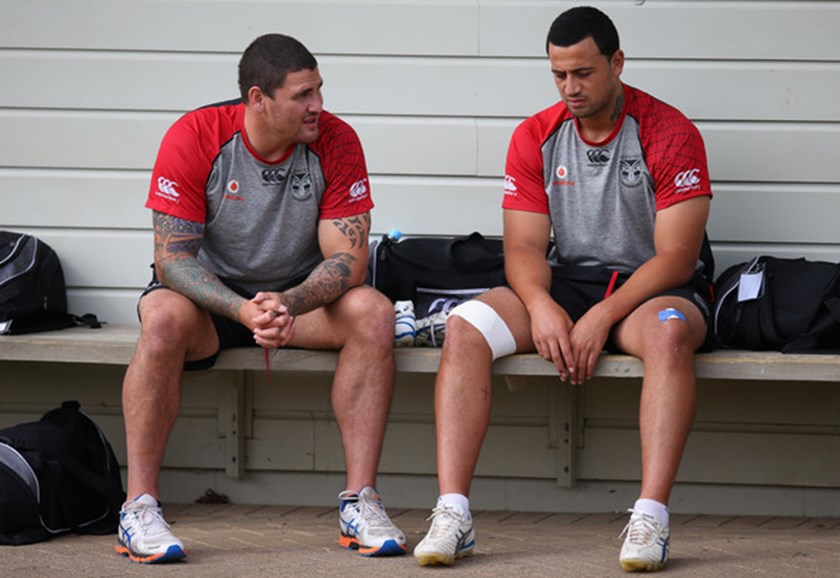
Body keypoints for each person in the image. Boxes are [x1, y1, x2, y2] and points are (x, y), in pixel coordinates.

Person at [413, 6, 714, 572]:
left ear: (617, 63)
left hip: (652, 286)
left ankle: (651, 518)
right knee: (463, 328)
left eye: (584, 72)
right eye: (558, 74)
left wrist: (603, 316)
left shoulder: (670, 131)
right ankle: (453, 514)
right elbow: (523, 250)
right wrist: (541, 305)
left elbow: (678, 255)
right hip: (571, 280)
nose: (570, 87)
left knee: (671, 337)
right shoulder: (536, 133)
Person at [116, 33, 406, 563]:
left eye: (318, 89)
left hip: (298, 303)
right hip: (212, 302)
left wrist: (286, 303)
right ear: (257, 99)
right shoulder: (195, 134)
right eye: (302, 95)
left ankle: (360, 501)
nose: (317, 105)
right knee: (159, 317)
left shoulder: (336, 139)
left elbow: (348, 259)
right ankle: (139, 507)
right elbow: (172, 259)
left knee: (373, 311)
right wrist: (242, 308)